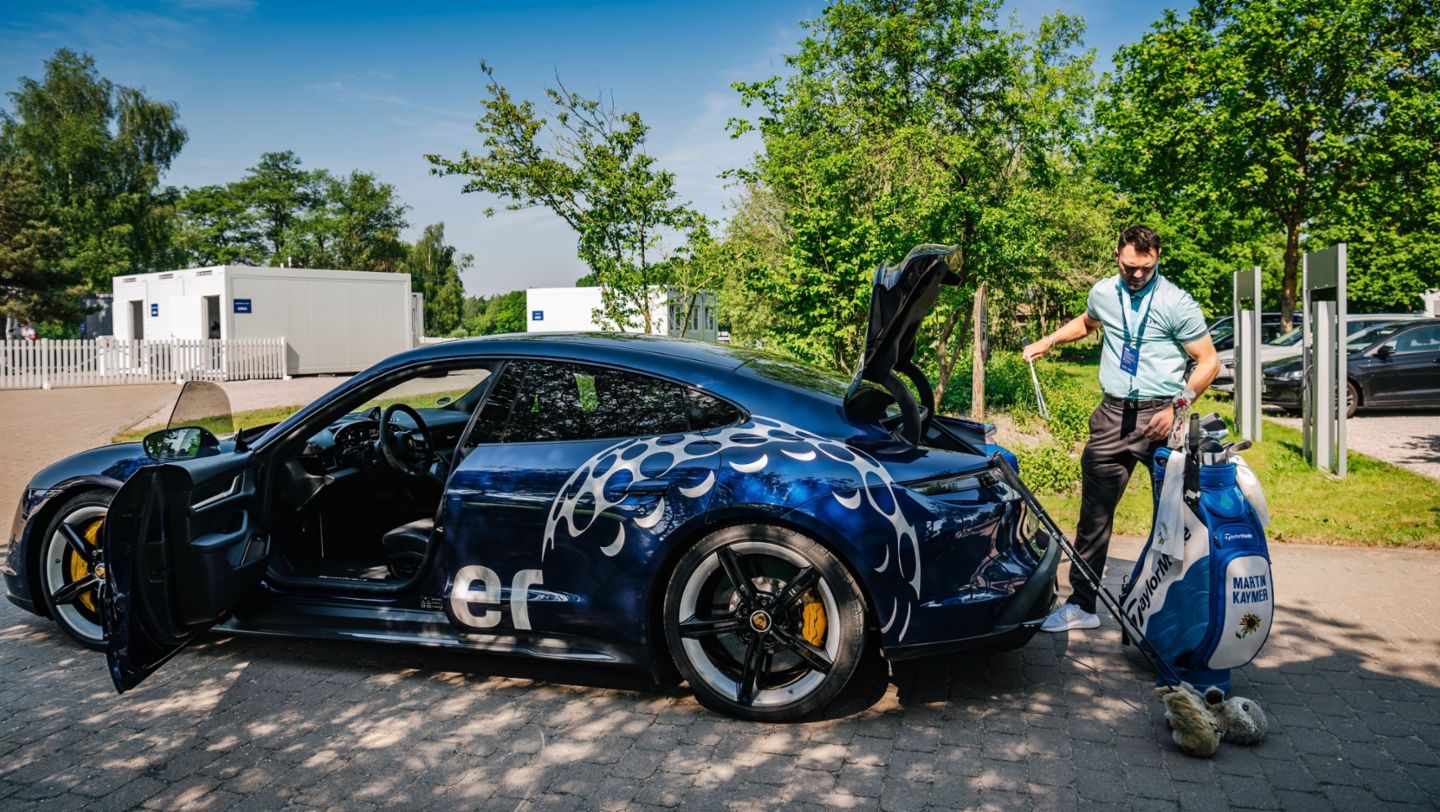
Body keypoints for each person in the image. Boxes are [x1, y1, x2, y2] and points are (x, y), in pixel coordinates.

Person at [1023, 225, 1219, 632]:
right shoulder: (1103, 292)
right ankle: (1082, 605)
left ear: (1157, 258)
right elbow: (1088, 322)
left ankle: (1179, 613)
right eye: (1131, 267)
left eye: (1146, 268)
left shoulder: (1175, 302)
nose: (1137, 275)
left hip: (1162, 418)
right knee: (1093, 517)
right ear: (1118, 256)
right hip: (1112, 417)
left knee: (1176, 519)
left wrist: (1177, 407)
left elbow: (1208, 362)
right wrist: (1050, 340)